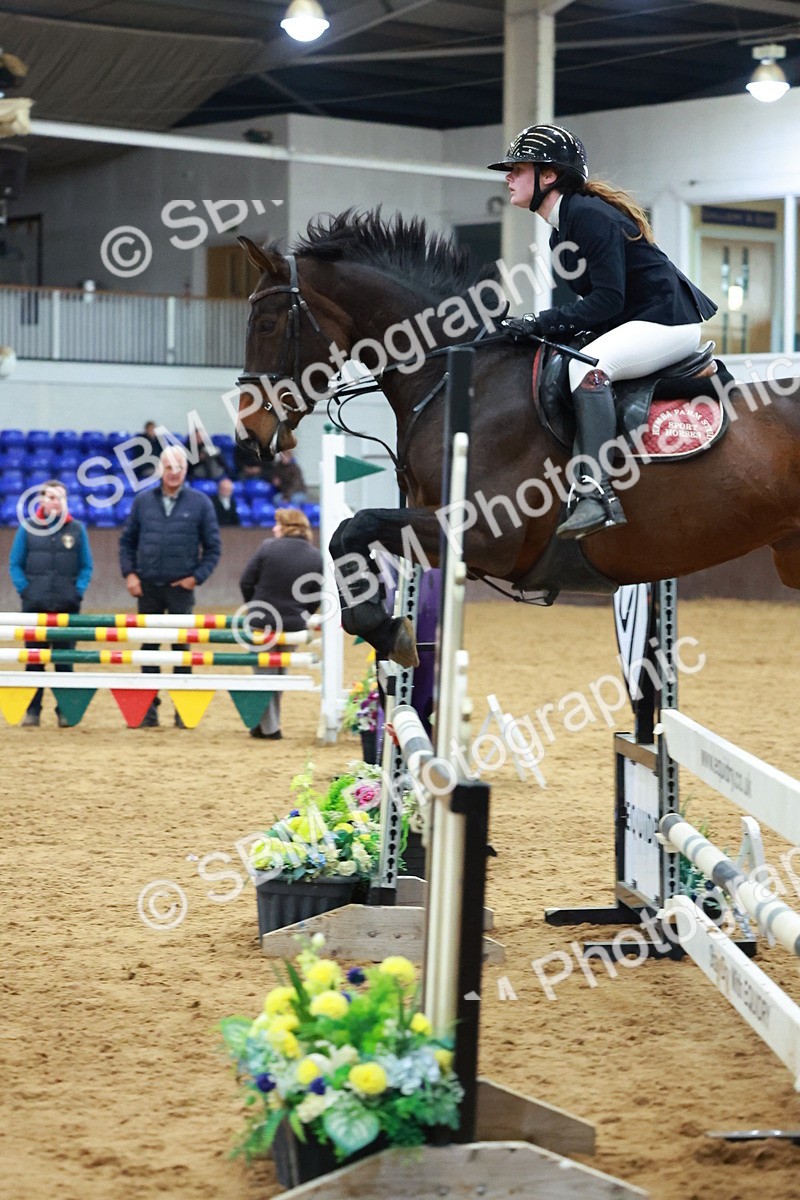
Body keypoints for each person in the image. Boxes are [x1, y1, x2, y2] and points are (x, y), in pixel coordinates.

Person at [490, 123, 717, 540]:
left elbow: (608, 300)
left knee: (587, 368)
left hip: (667, 322)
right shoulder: (565, 226)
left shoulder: (587, 217)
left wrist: (540, 322)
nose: (508, 178)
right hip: (641, 319)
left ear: (548, 176)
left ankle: (596, 493)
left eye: (517, 169)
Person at [119, 445, 221, 727]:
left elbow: (214, 548)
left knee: (181, 650)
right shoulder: (142, 501)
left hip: (181, 589)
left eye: (179, 467)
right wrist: (130, 575)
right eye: (168, 467)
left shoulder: (201, 503)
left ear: (186, 470)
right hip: (147, 588)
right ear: (160, 469)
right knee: (148, 649)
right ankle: (148, 712)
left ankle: (183, 712)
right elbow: (127, 542)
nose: (174, 472)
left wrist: (196, 578)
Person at [8, 480, 93, 727]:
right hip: (34, 608)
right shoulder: (28, 528)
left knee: (64, 662)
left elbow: (86, 566)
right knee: (34, 662)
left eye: (60, 497)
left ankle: (64, 711)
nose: (55, 502)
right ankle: (32, 712)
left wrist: (77, 592)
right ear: (42, 501)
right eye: (51, 497)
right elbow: (15, 564)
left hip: (67, 608)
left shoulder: (77, 529)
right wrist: (26, 591)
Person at [239, 507, 323, 740]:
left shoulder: (268, 547)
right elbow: (316, 595)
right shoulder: (315, 555)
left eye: (277, 524)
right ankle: (264, 724)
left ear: (287, 527)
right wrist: (302, 614)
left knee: (263, 674)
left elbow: (246, 581)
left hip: (263, 621)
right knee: (279, 674)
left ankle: (270, 728)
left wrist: (255, 606)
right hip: (293, 624)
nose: (274, 528)